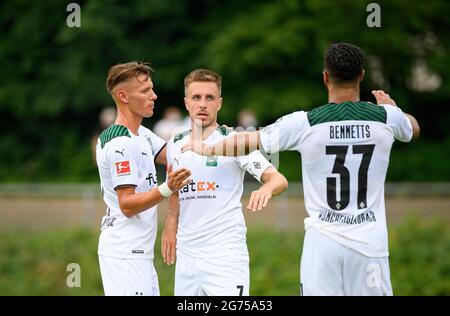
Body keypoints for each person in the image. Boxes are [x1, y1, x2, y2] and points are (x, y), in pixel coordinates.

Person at [182, 43, 420, 296]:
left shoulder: (305, 122)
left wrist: (207, 149)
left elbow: (248, 140)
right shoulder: (385, 117)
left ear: (325, 77)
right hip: (370, 247)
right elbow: (413, 129)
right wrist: (394, 108)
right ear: (361, 75)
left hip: (323, 244)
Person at [161, 69, 288, 296]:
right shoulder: (174, 143)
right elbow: (175, 190)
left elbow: (278, 179)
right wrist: (170, 225)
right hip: (187, 255)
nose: (203, 104)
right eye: (196, 98)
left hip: (224, 254)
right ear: (186, 103)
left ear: (219, 103)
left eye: (209, 98)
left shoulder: (233, 141)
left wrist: (267, 188)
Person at [95, 61, 191, 296]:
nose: (154, 96)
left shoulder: (142, 134)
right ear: (123, 96)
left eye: (152, 88)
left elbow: (180, 154)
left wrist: (216, 137)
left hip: (139, 253)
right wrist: (168, 188)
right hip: (125, 253)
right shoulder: (120, 143)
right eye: (145, 91)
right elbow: (127, 205)